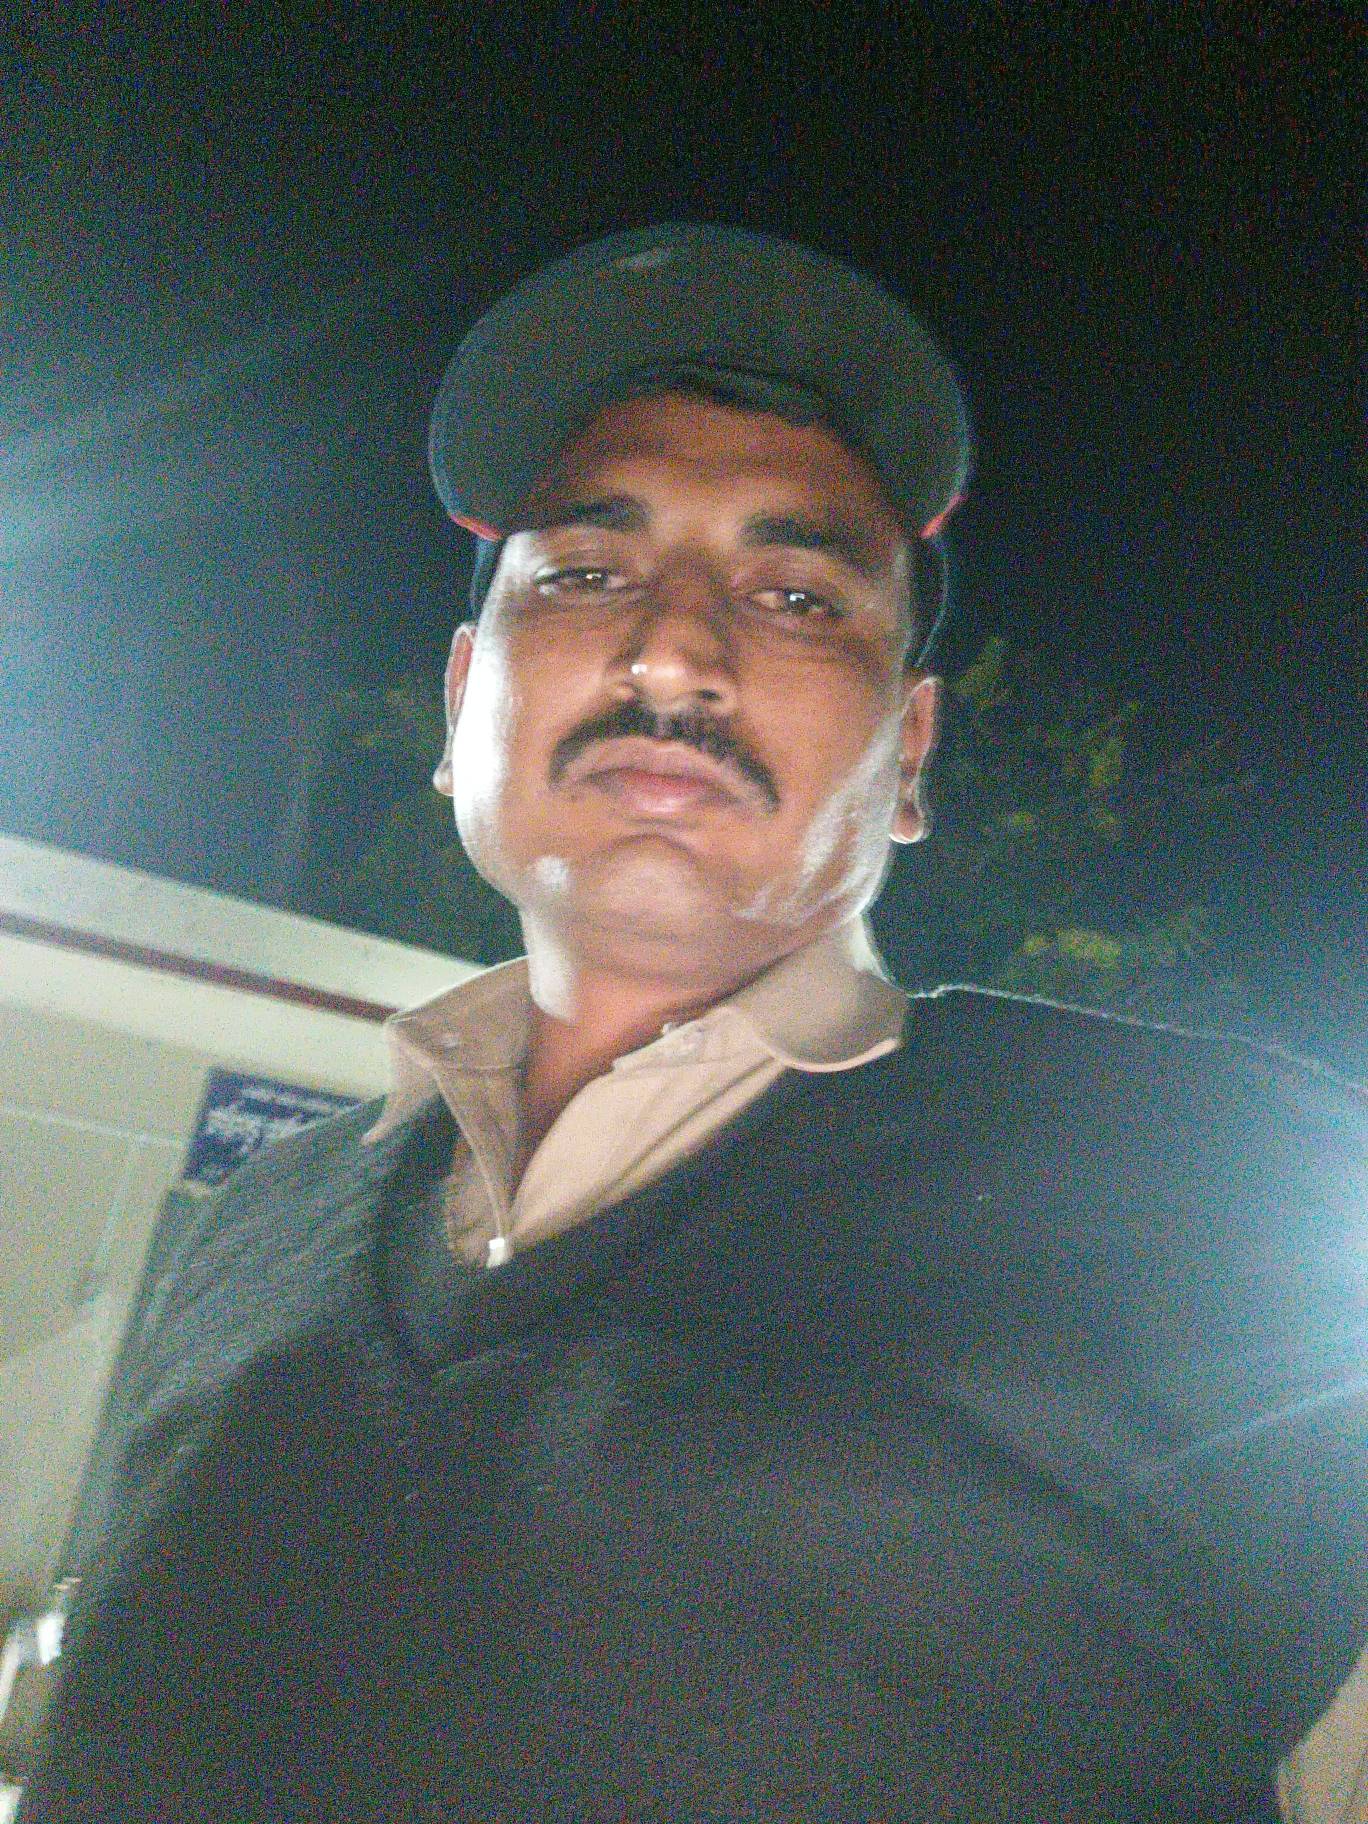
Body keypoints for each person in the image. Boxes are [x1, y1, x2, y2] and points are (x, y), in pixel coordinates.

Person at [18, 225, 1367, 1823]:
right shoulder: (253, 1225)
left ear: (911, 752)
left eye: (797, 596)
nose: (672, 648)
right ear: (459, 706)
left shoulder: (1218, 1186)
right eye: (586, 574)